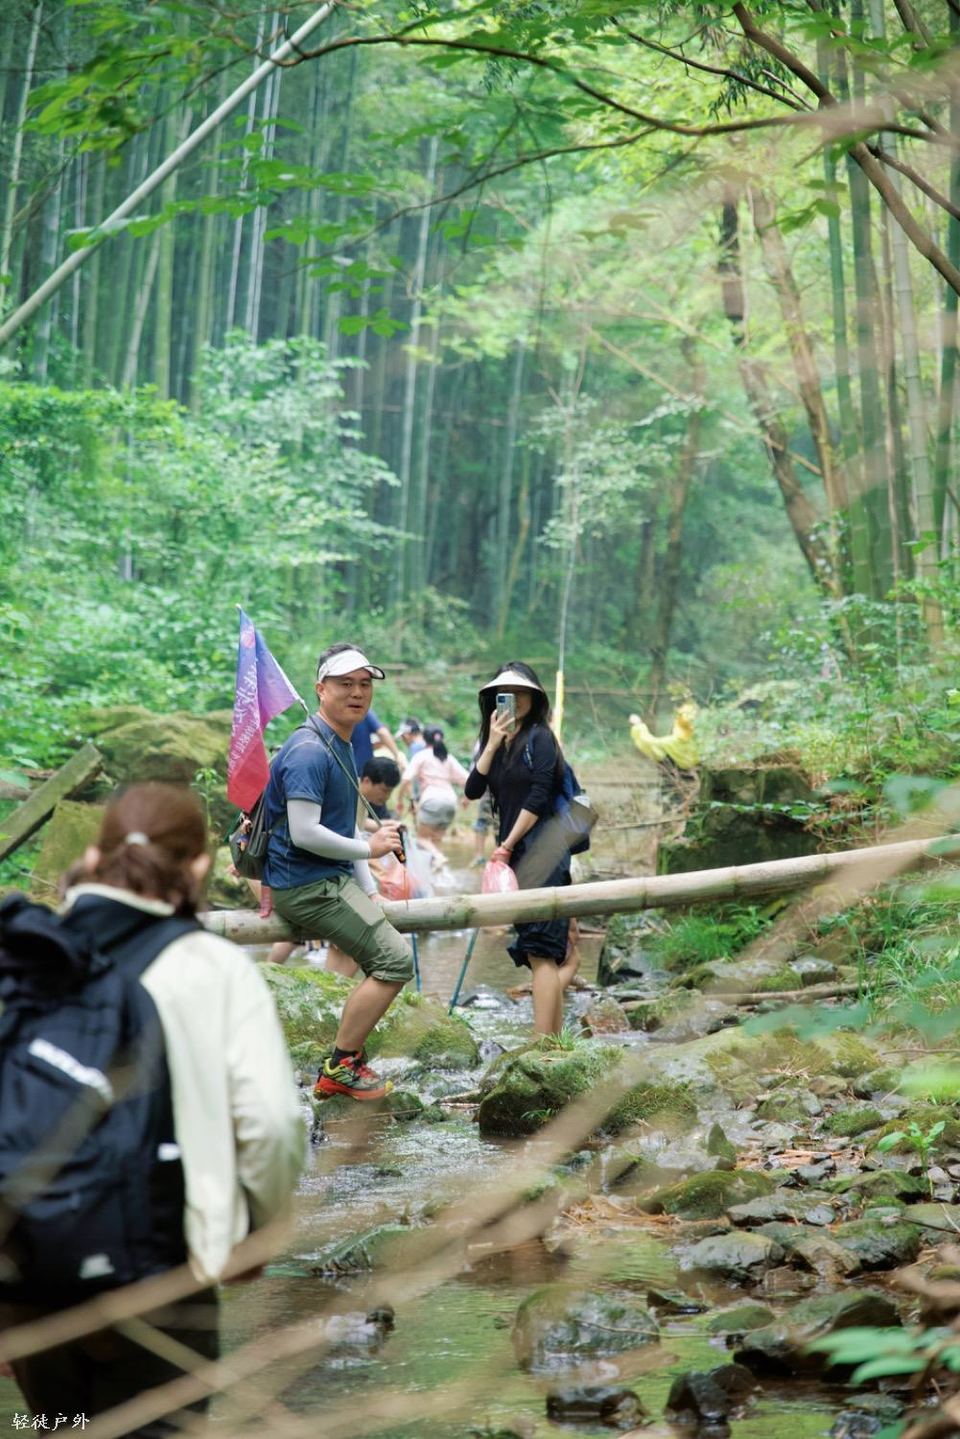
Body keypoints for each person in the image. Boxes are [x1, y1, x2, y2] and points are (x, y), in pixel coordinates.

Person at [0, 782, 304, 1433]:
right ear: (199, 867)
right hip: (162, 1269)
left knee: (62, 1427)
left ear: (93, 856)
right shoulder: (214, 968)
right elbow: (272, 1121)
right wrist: (255, 1231)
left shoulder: (28, 955)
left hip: (33, 1269)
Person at [262, 642, 413, 1100]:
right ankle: (340, 1065)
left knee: (379, 957)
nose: (357, 693)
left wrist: (369, 891)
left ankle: (347, 1058)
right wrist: (370, 849)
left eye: (364, 684)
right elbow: (305, 832)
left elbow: (343, 823)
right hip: (305, 884)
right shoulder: (310, 750)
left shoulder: (341, 741)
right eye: (345, 683)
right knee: (395, 960)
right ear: (320, 689)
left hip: (329, 879)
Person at [464, 662, 579, 1035]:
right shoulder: (501, 744)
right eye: (505, 695)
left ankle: (544, 1045)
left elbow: (539, 796)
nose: (514, 700)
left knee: (540, 952)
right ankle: (551, 1042)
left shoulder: (541, 739)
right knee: (537, 952)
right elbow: (472, 790)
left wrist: (507, 844)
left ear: (535, 697)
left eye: (521, 693)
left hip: (543, 850)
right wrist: (492, 742)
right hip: (518, 855)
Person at [396, 725, 469, 855]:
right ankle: (438, 866)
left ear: (424, 740)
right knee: (436, 841)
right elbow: (468, 780)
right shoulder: (448, 758)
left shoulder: (421, 756)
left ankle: (439, 859)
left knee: (422, 839)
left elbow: (406, 778)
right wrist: (466, 798)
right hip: (451, 802)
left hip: (431, 800)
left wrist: (400, 800)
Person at [351, 704, 400, 772]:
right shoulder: (362, 711)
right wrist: (397, 756)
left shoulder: (340, 712)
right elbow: (382, 733)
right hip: (361, 769)